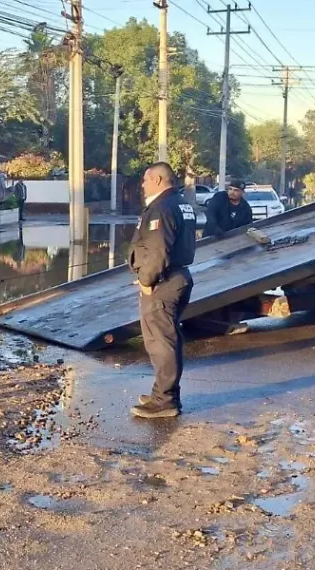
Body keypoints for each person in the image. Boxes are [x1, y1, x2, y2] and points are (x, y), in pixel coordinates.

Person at [128, 162, 197, 419]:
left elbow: (159, 250)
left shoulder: (162, 207)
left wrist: (146, 280)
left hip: (164, 282)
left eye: (145, 179)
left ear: (157, 180)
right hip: (177, 276)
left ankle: (165, 401)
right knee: (167, 339)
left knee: (161, 342)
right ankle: (163, 393)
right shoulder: (180, 203)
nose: (143, 184)